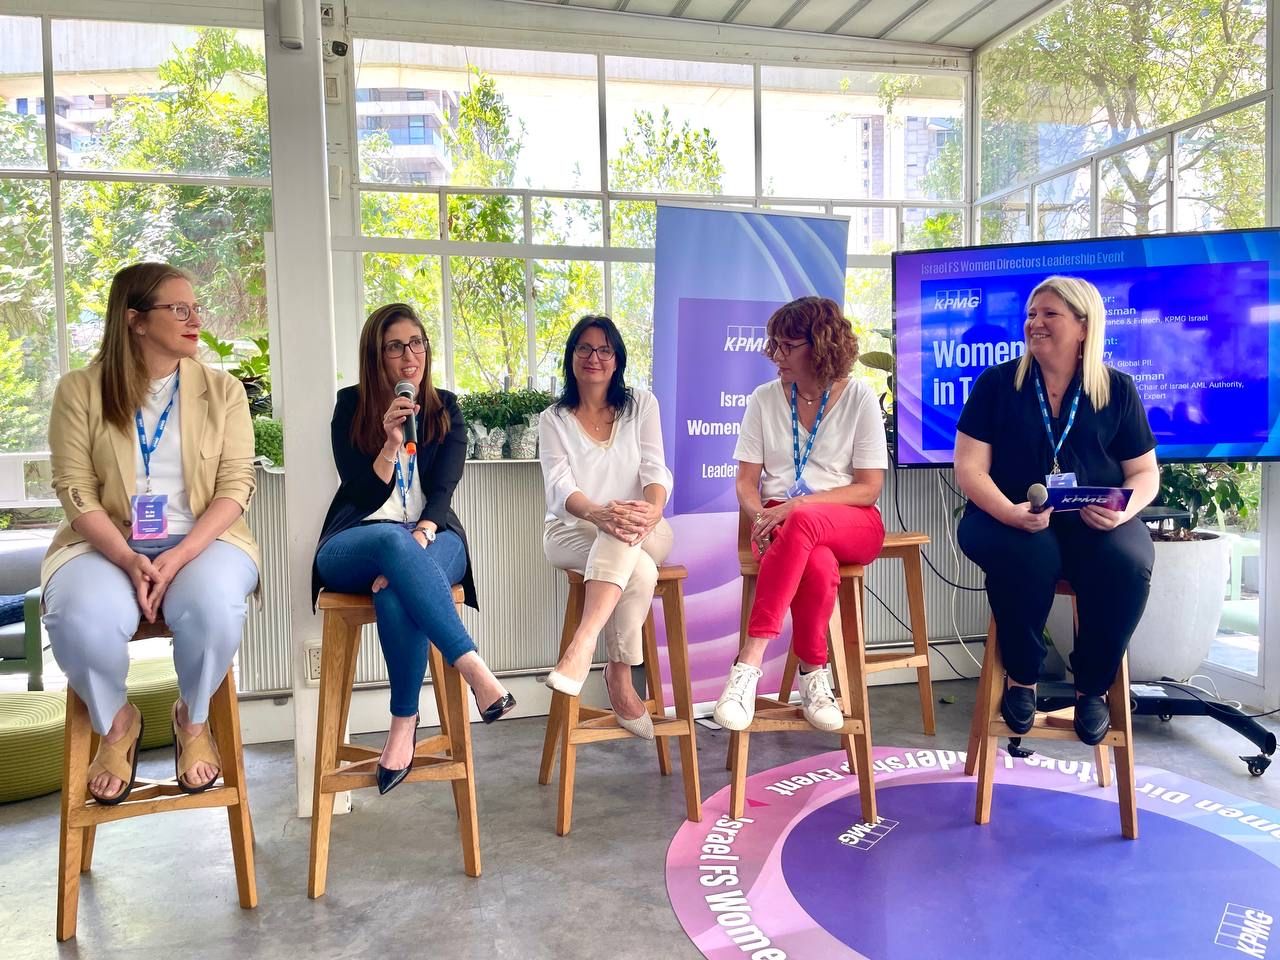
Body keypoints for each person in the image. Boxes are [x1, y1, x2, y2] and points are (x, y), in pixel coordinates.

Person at [43, 262, 261, 804]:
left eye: (196, 308)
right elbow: (74, 489)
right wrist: (127, 557)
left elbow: (237, 485)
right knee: (77, 616)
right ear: (135, 319)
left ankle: (192, 719)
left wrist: (181, 554)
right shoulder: (80, 391)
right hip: (104, 542)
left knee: (214, 608)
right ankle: (118, 723)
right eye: (179, 309)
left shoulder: (224, 391)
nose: (195, 319)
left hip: (204, 541)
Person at [313, 303, 515, 795]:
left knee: (395, 589)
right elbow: (360, 492)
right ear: (376, 356)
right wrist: (388, 443)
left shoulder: (446, 408)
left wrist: (419, 539)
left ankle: (403, 722)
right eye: (396, 346)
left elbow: (443, 492)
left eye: (417, 343)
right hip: (360, 539)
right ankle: (474, 668)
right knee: (390, 540)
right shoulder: (350, 406)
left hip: (434, 536)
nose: (410, 356)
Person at [954, 275, 1160, 745]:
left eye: (1050, 314)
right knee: (1031, 555)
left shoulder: (1117, 389)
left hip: (1094, 521)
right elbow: (969, 469)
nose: (1035, 323)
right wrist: (1009, 513)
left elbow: (1145, 473)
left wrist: (1122, 510)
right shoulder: (997, 384)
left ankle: (1093, 687)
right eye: (1031, 314)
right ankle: (1022, 677)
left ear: (1084, 326)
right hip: (1003, 515)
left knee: (1128, 564)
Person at [713, 296, 887, 733]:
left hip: (850, 518)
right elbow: (746, 483)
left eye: (787, 346)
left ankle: (748, 664)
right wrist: (760, 516)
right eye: (773, 344)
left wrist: (799, 505)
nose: (775, 355)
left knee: (804, 522)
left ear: (822, 346)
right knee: (818, 562)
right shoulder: (764, 399)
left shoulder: (860, 398)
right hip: (778, 520)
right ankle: (814, 676)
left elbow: (869, 489)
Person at [539, 315, 673, 740]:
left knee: (625, 537)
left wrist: (652, 510)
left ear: (617, 359)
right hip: (572, 529)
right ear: (571, 357)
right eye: (584, 348)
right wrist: (599, 514)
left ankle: (582, 646)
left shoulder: (642, 405)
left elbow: (655, 467)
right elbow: (559, 487)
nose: (593, 357)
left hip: (643, 526)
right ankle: (618, 672)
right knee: (640, 567)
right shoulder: (554, 418)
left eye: (604, 350)